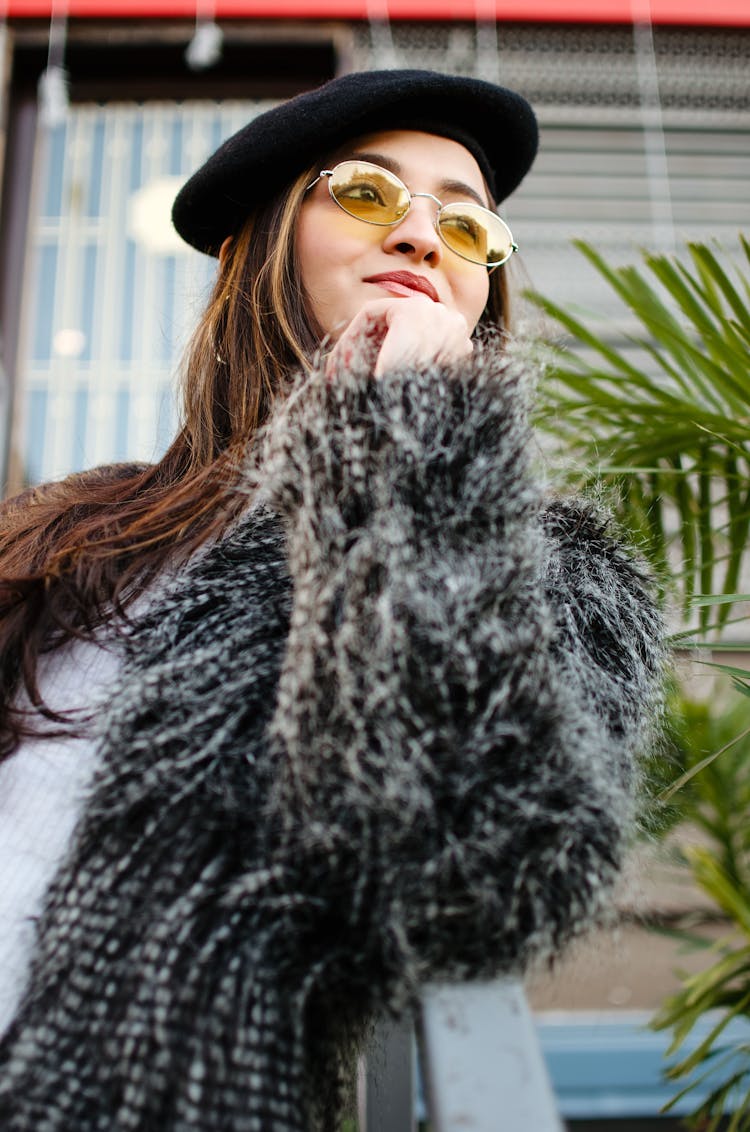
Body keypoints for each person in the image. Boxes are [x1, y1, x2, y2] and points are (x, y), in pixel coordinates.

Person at [0, 69, 664, 1130]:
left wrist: (418, 440)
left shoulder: (562, 572)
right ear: (256, 247)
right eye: (365, 192)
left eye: (468, 223)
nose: (421, 236)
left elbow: (471, 873)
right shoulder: (73, 533)